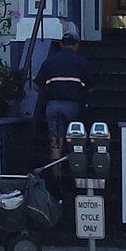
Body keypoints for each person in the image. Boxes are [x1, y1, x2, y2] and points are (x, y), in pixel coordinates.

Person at [34, 35, 90, 163]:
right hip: (73, 106)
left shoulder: (49, 61)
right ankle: (76, 171)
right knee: (76, 140)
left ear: (61, 44)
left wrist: (48, 93)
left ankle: (56, 178)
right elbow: (90, 87)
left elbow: (36, 86)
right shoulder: (81, 61)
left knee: (56, 144)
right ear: (76, 45)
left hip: (53, 105)